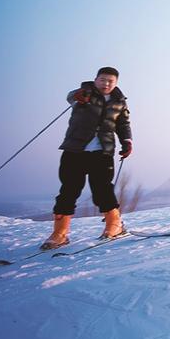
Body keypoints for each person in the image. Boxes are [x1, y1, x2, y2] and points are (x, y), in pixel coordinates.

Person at [41, 67, 133, 250]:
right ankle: (59, 234)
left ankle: (114, 225)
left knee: (103, 190)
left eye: (110, 81)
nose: (106, 84)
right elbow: (70, 96)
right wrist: (78, 95)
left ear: (116, 83)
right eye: (102, 79)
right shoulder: (85, 93)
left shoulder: (119, 102)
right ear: (96, 79)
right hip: (75, 150)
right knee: (69, 189)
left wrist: (127, 142)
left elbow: (123, 124)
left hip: (102, 152)